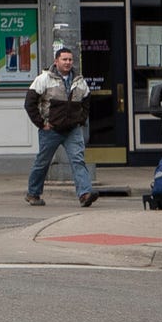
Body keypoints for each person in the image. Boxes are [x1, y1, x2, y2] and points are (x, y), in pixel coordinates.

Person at [23, 45, 96, 207]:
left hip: (72, 129)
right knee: (43, 162)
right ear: (56, 62)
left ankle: (85, 194)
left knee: (78, 160)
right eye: (64, 59)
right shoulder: (43, 79)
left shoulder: (79, 81)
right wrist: (42, 123)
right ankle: (33, 193)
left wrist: (80, 120)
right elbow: (29, 103)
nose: (68, 62)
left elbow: (86, 102)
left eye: (70, 59)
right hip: (51, 129)